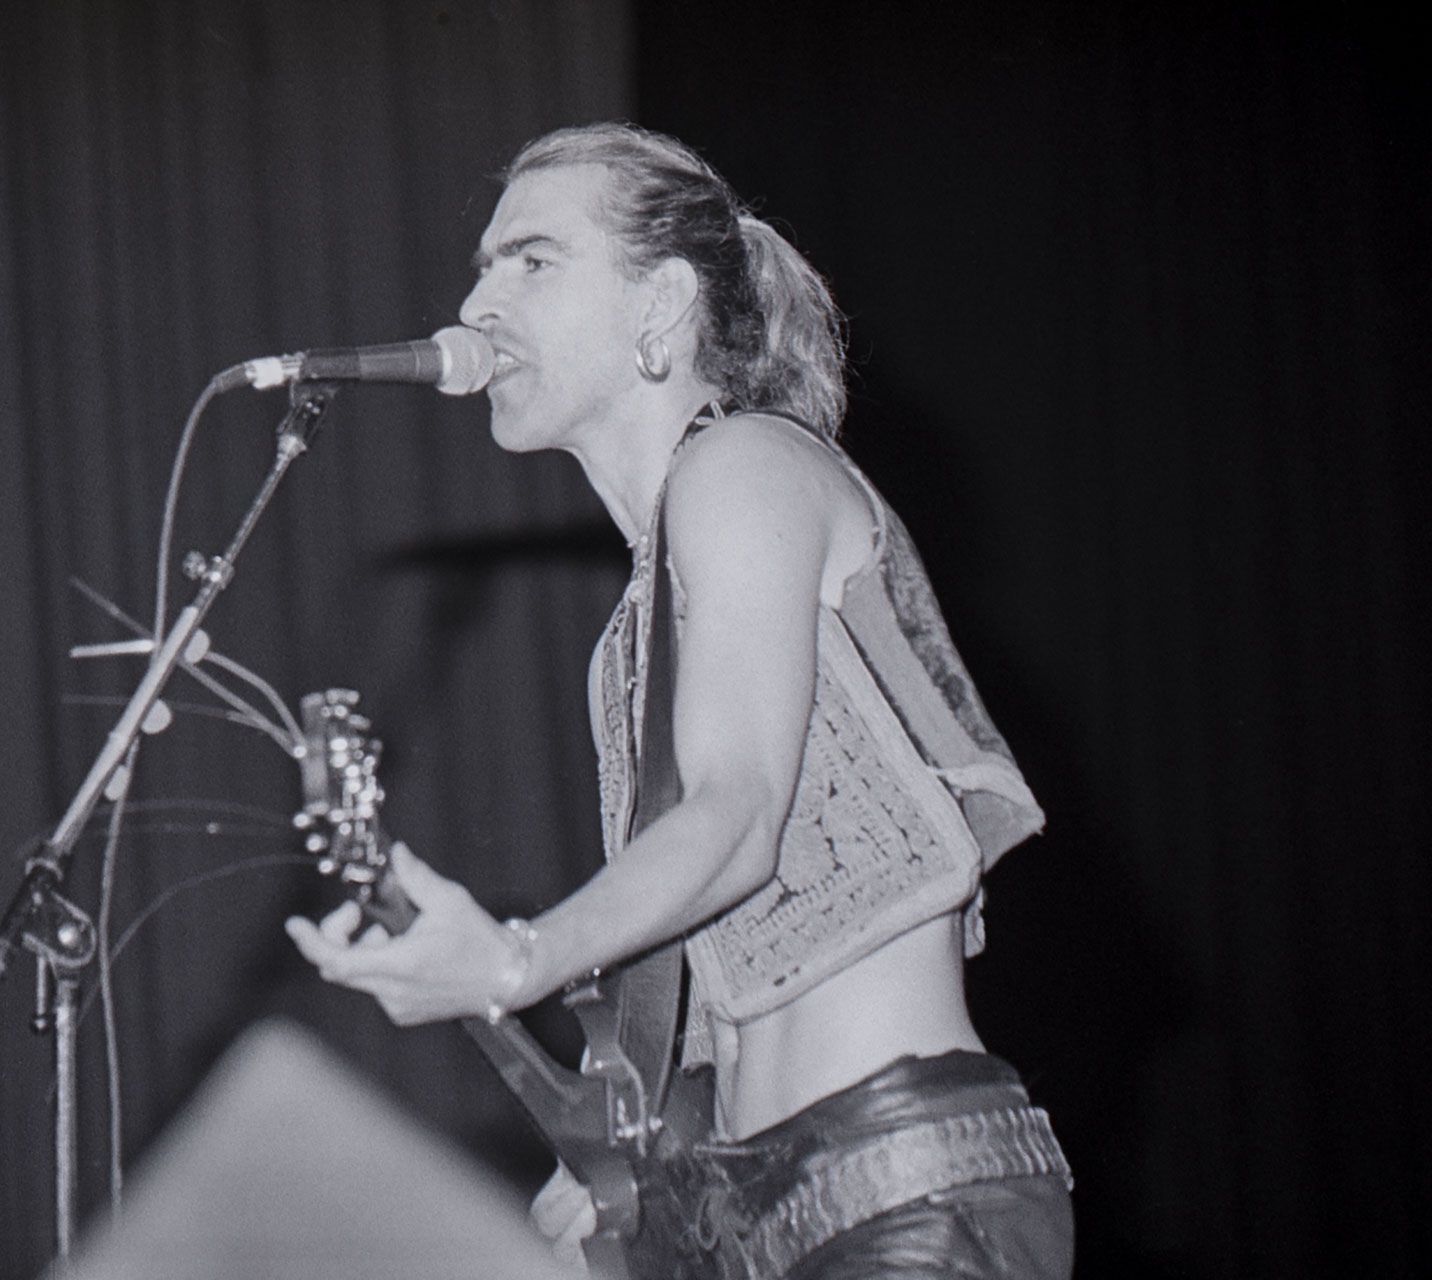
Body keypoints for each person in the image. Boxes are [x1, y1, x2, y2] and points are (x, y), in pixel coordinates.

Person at [287, 122, 1073, 1279]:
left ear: (660, 302)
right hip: (755, 1215)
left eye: (532, 260)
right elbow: (707, 968)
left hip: (896, 1194)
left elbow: (738, 812)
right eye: (483, 265)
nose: (477, 301)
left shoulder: (745, 462)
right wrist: (612, 1155)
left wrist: (517, 960)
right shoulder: (630, 635)